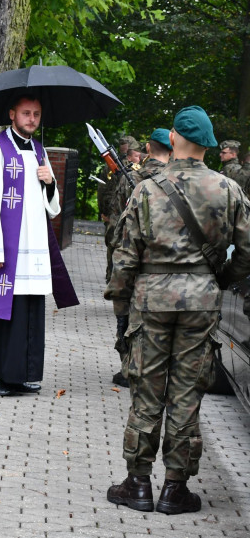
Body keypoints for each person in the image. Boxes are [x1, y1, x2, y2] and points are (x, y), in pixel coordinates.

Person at [105, 105, 250, 515]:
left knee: (146, 391)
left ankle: (137, 484)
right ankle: (174, 488)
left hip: (151, 300)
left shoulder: (147, 188)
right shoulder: (228, 189)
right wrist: (218, 280)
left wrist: (121, 303)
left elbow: (125, 255)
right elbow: (248, 250)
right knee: (187, 393)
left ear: (172, 138)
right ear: (209, 144)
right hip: (201, 302)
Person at [0, 96, 77, 397]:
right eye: (26, 113)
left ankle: (16, 374)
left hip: (31, 250)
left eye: (36, 114)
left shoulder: (39, 152)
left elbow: (53, 208)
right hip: (3, 251)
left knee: (26, 312)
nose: (32, 119)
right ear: (12, 114)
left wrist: (50, 183)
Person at [107, 129, 172, 388]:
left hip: (131, 257)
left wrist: (115, 252)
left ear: (147, 147)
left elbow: (116, 219)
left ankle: (128, 367)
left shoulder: (131, 178)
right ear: (173, 149)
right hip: (167, 263)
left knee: (125, 314)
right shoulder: (180, 180)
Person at [98, 135, 139, 283]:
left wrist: (103, 210)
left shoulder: (114, 165)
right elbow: (103, 188)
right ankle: (114, 276)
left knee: (112, 243)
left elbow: (102, 189)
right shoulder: (135, 168)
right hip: (118, 210)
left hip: (114, 211)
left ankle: (112, 275)